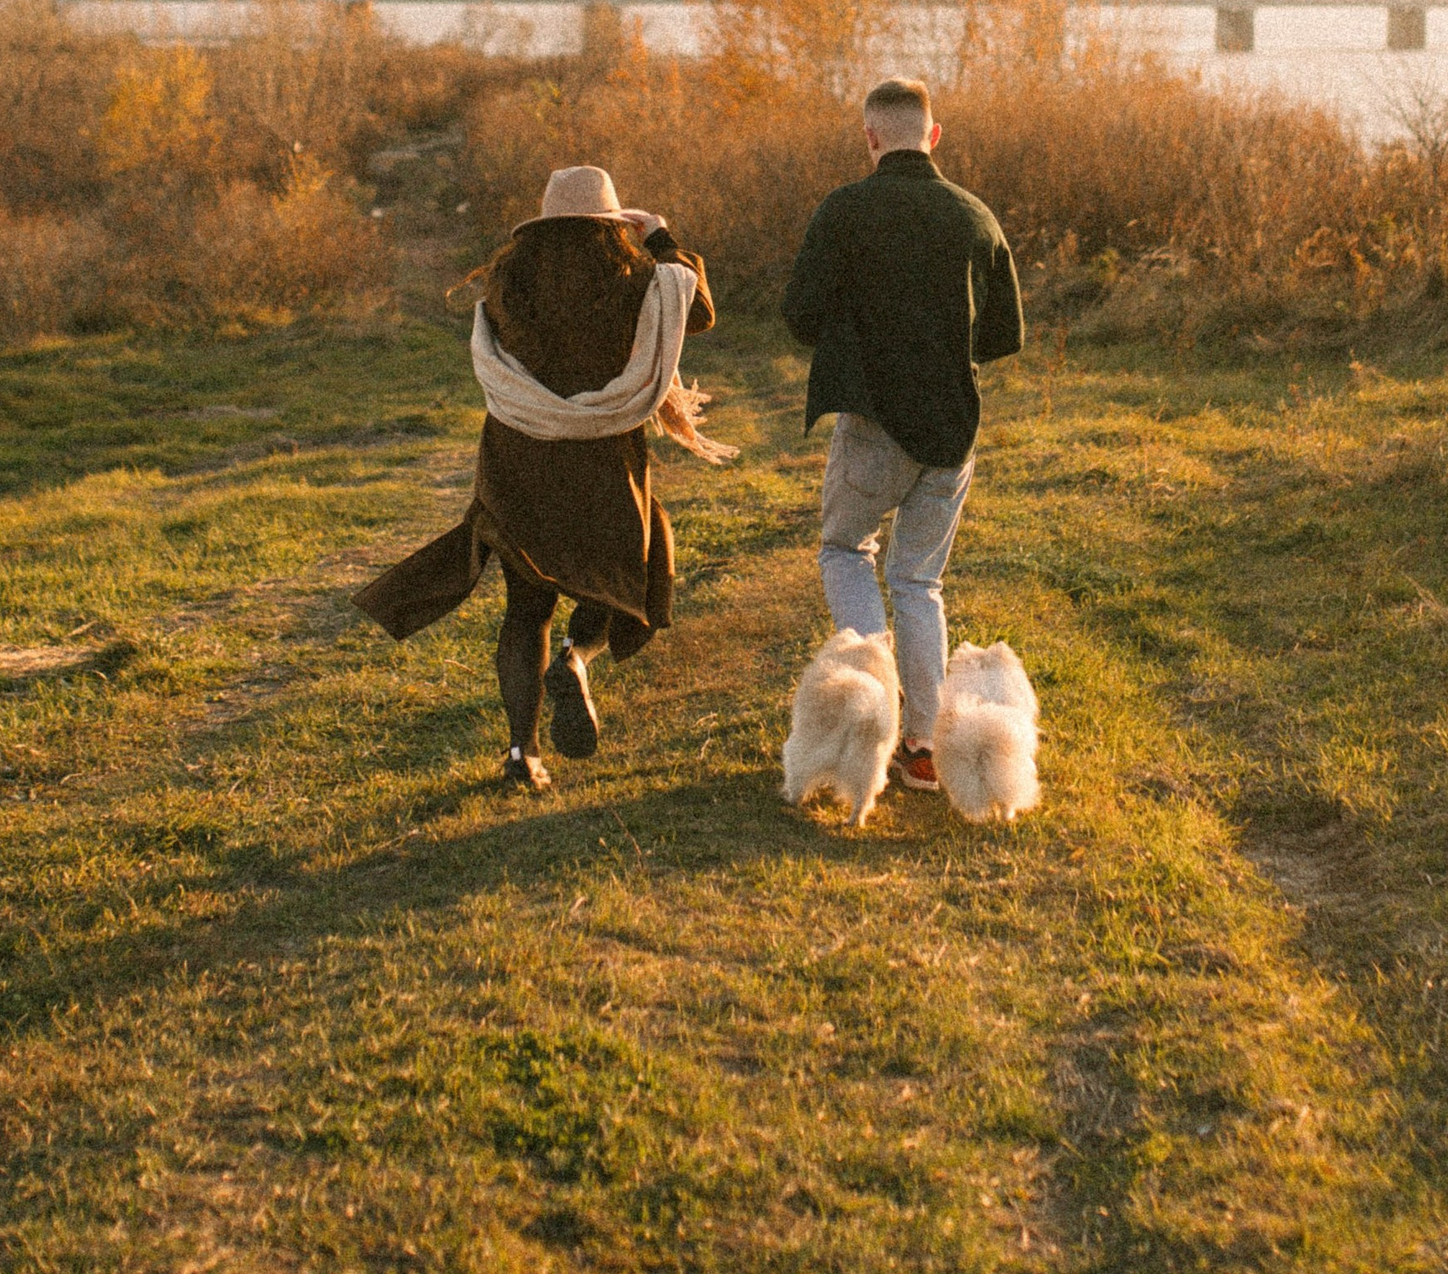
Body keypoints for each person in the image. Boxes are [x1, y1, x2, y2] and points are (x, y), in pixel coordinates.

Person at [351, 165, 721, 791]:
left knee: (526, 611)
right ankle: (578, 657)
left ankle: (523, 755)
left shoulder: (506, 282)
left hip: (519, 460)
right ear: (613, 226)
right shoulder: (637, 279)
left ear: (542, 225)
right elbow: (699, 309)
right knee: (621, 577)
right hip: (603, 461)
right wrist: (660, 236)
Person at [783, 78, 1023, 792]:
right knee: (919, 580)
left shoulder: (845, 212)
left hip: (873, 423)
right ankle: (921, 746)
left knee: (842, 548)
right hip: (955, 427)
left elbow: (799, 315)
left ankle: (869, 709)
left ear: (870, 137)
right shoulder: (975, 217)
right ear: (934, 134)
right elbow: (1006, 334)